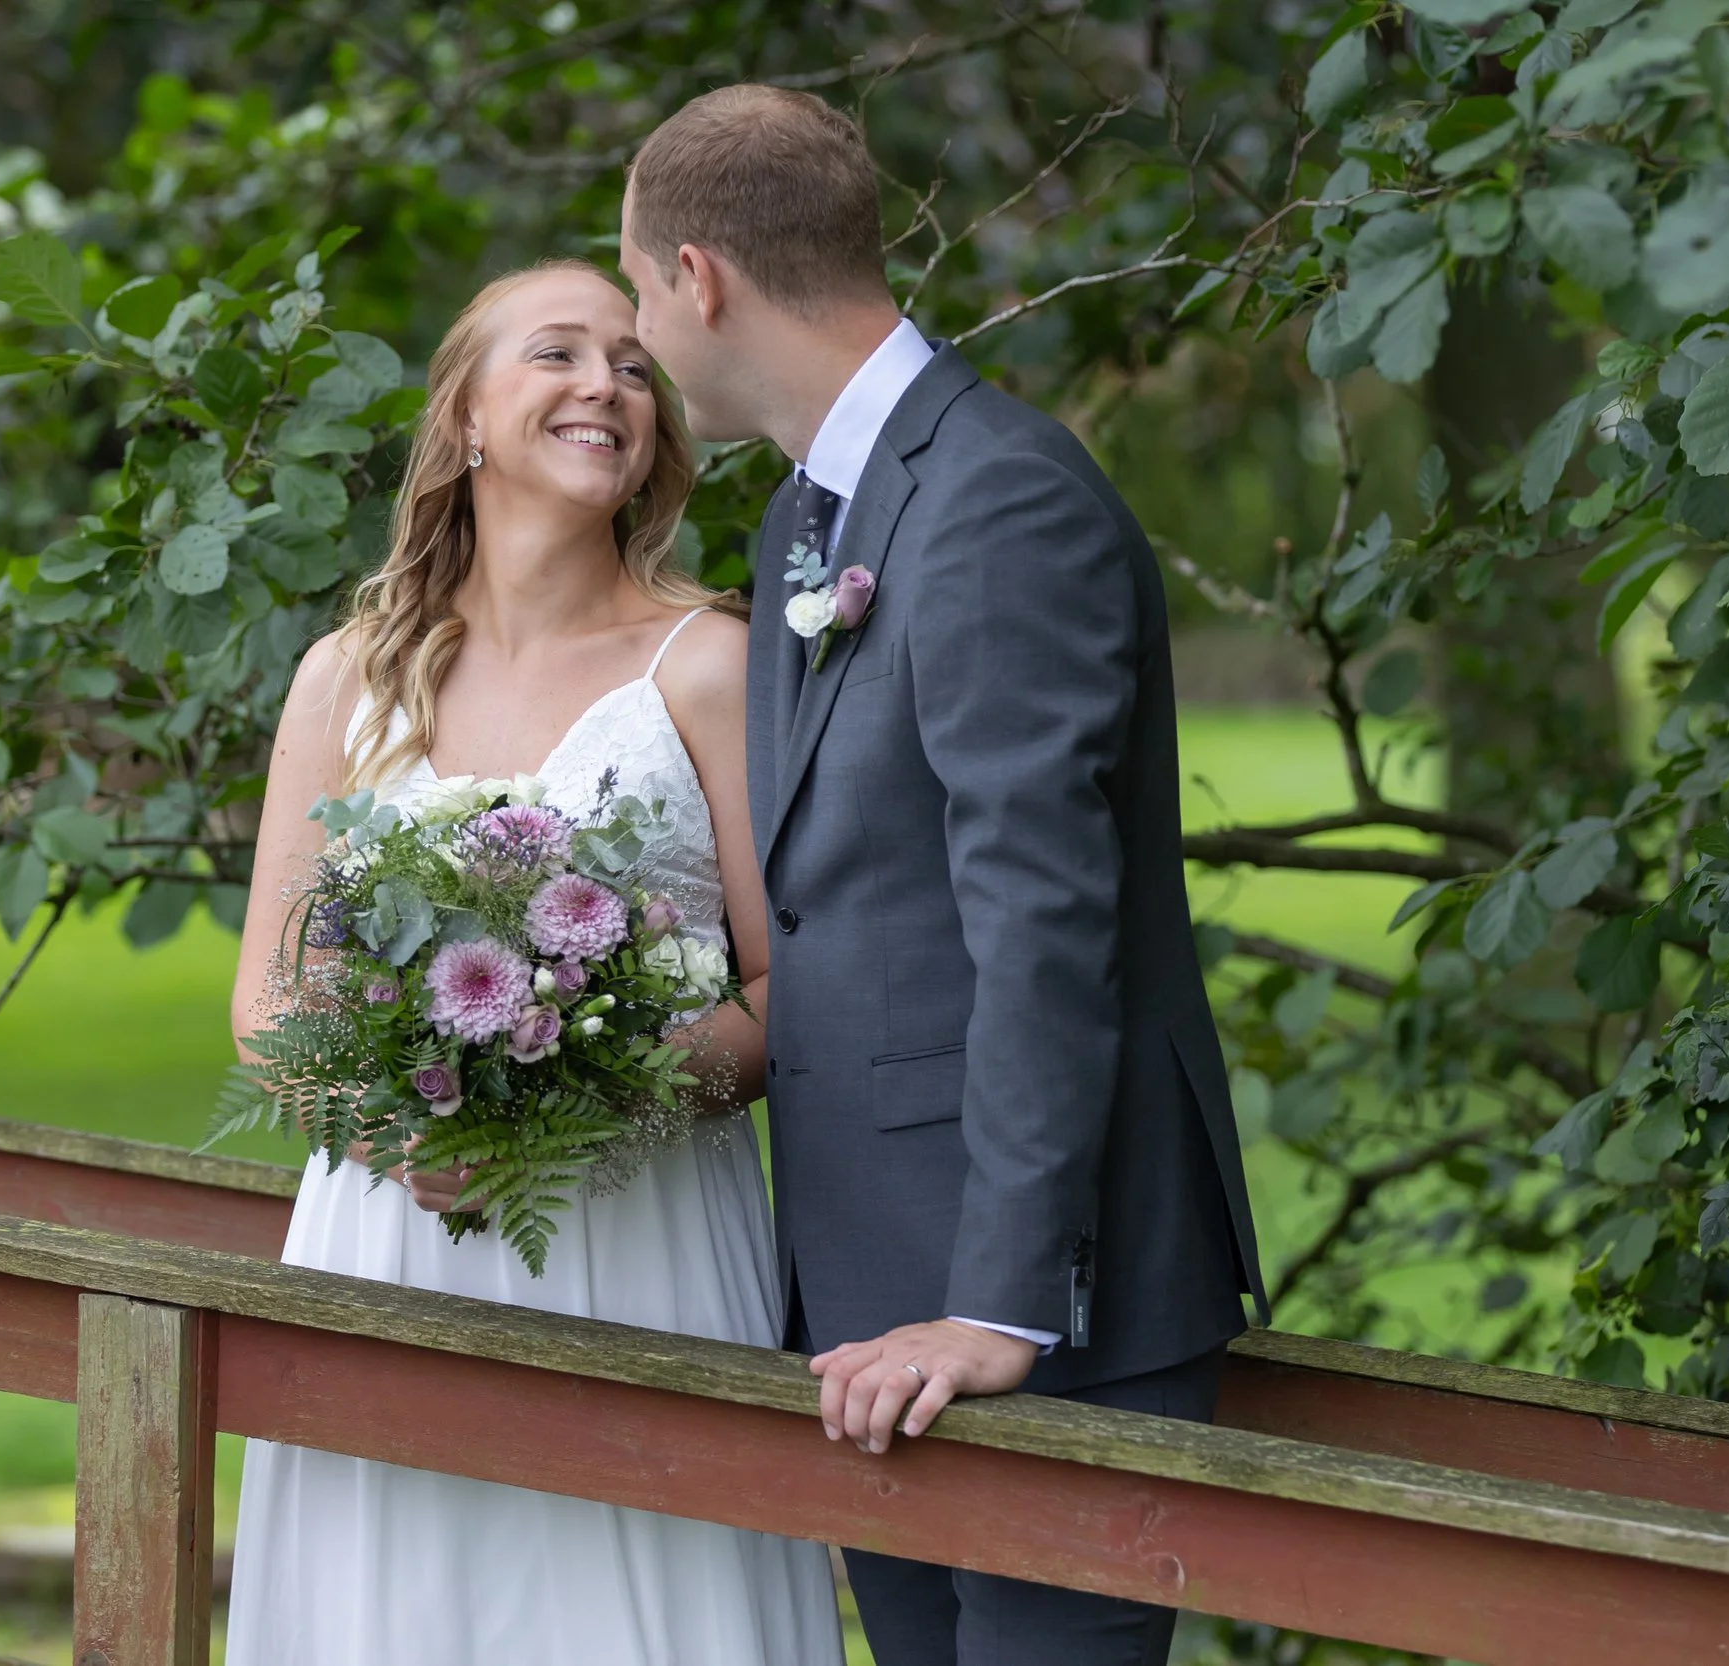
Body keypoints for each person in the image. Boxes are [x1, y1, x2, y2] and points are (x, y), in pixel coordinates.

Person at [615, 85, 1268, 1665]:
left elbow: (1045, 924)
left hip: (1044, 1305)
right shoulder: (807, 516)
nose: (642, 329)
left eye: (636, 292)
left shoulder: (998, 500)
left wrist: (1003, 1306)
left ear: (697, 277)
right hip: (873, 1298)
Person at [220, 258, 846, 1666]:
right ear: (465, 422)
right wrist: (394, 1132)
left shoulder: (711, 664)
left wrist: (593, 1095)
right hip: (389, 1230)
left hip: (636, 1228)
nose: (605, 385)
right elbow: (267, 1005)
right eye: (556, 354)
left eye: (633, 365)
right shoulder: (348, 679)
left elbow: (785, 981)